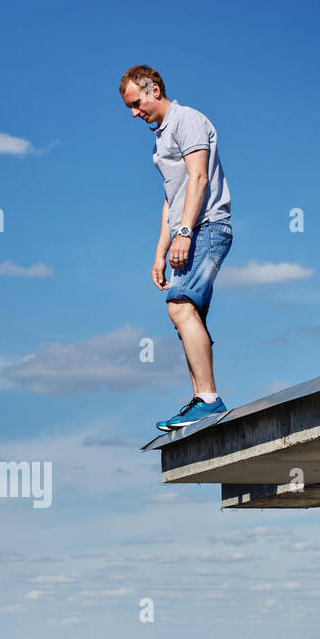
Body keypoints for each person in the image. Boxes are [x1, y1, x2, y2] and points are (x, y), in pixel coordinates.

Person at [119, 64, 233, 430]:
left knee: (180, 307)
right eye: (130, 109)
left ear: (153, 90)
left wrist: (185, 233)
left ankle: (209, 399)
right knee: (189, 317)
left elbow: (198, 178)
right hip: (188, 230)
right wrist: (159, 251)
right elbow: (172, 196)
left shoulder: (187, 120)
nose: (135, 114)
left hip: (207, 227)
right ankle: (203, 397)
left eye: (137, 104)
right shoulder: (161, 136)